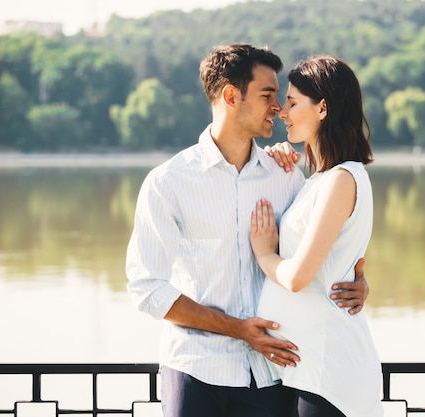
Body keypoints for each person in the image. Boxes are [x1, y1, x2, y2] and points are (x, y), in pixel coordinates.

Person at [125, 44, 369, 417]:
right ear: (230, 96)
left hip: (269, 377)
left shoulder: (286, 176)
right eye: (268, 94)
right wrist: (238, 329)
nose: (278, 106)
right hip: (195, 370)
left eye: (282, 97)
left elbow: (326, 245)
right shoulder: (168, 182)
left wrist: (356, 280)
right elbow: (146, 288)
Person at [250, 55, 384, 417]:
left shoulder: (343, 179)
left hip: (331, 372)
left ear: (322, 108)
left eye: (292, 102)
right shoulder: (318, 181)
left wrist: (264, 252)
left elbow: (297, 277)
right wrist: (278, 160)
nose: (283, 112)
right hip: (307, 369)